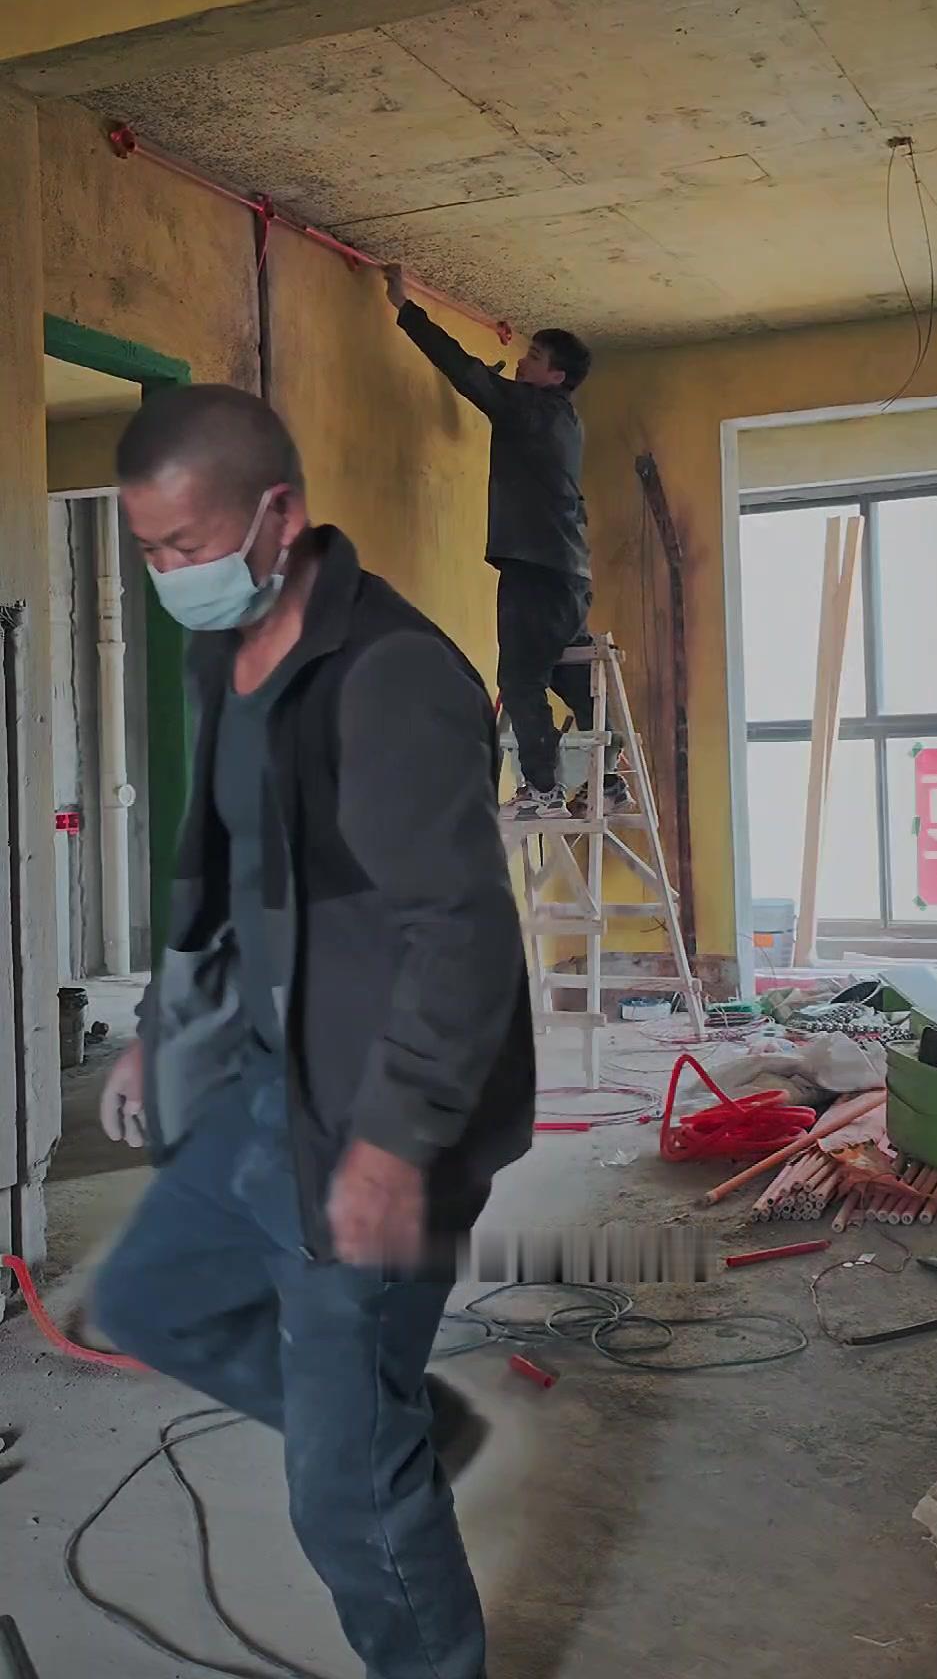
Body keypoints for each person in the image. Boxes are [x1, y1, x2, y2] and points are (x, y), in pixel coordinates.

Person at [91, 384, 534, 1679]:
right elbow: (211, 861)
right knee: (149, 1295)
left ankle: (383, 1486)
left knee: (343, 1499)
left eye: (186, 546)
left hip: (377, 1113)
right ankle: (398, 1423)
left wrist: (392, 1147)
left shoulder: (391, 676)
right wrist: (161, 1023)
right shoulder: (216, 659)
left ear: (276, 516)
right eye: (147, 550)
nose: (166, 576)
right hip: (266, 1083)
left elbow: (461, 935)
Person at [385, 264, 631, 822]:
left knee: (521, 679)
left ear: (555, 375)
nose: (523, 362)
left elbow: (464, 372)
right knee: (568, 676)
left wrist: (404, 307)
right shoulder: (566, 420)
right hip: (568, 574)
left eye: (534, 358)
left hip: (536, 570)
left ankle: (542, 791)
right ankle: (609, 780)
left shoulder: (530, 409)